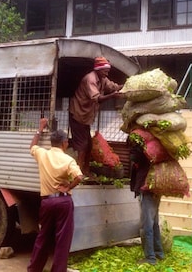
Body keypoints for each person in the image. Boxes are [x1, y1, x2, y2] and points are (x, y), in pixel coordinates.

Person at [27, 118, 84, 272]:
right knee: (62, 240)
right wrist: (68, 186)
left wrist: (40, 129)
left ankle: (34, 269)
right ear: (64, 143)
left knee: (43, 236)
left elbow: (32, 146)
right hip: (63, 202)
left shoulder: (42, 155)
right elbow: (79, 176)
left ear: (52, 142)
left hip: (46, 202)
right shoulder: (68, 160)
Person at [69, 56, 122, 175]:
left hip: (86, 117)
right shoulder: (90, 79)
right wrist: (113, 95)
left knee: (89, 145)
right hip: (78, 115)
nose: (107, 72)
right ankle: (77, 173)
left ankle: (85, 171)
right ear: (98, 69)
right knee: (82, 145)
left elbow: (114, 87)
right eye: (105, 70)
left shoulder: (102, 78)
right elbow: (98, 99)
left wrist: (128, 86)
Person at [128, 137, 165, 265]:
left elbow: (135, 157)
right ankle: (159, 252)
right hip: (155, 190)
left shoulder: (144, 151)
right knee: (154, 223)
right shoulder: (155, 147)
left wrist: (134, 146)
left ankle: (150, 258)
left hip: (146, 189)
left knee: (147, 226)